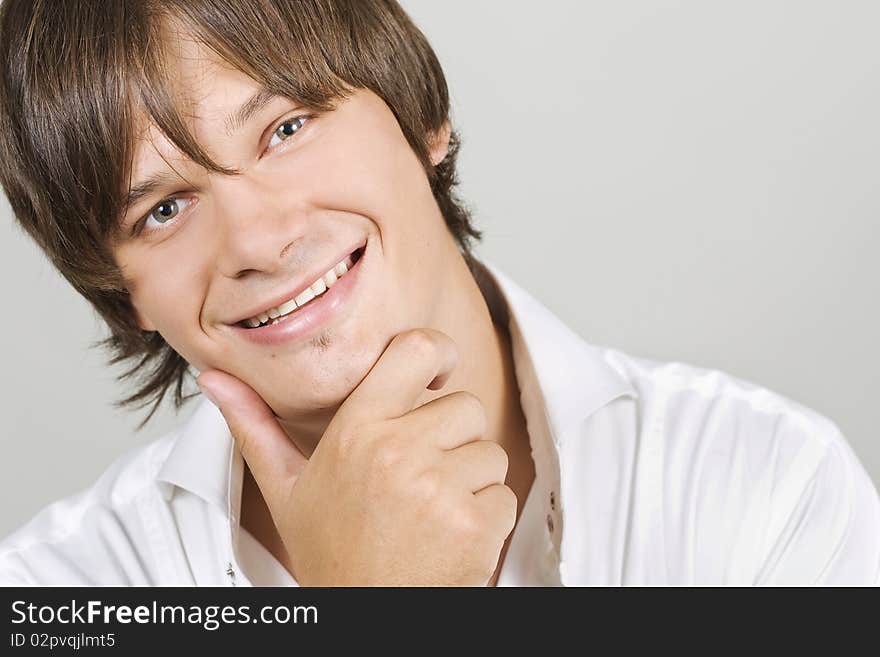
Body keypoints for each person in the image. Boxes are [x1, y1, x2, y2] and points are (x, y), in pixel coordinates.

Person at [0, 0, 877, 587]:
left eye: (287, 127)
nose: (259, 240)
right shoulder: (61, 593)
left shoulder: (763, 482)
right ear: (125, 300)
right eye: (164, 208)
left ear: (423, 121)